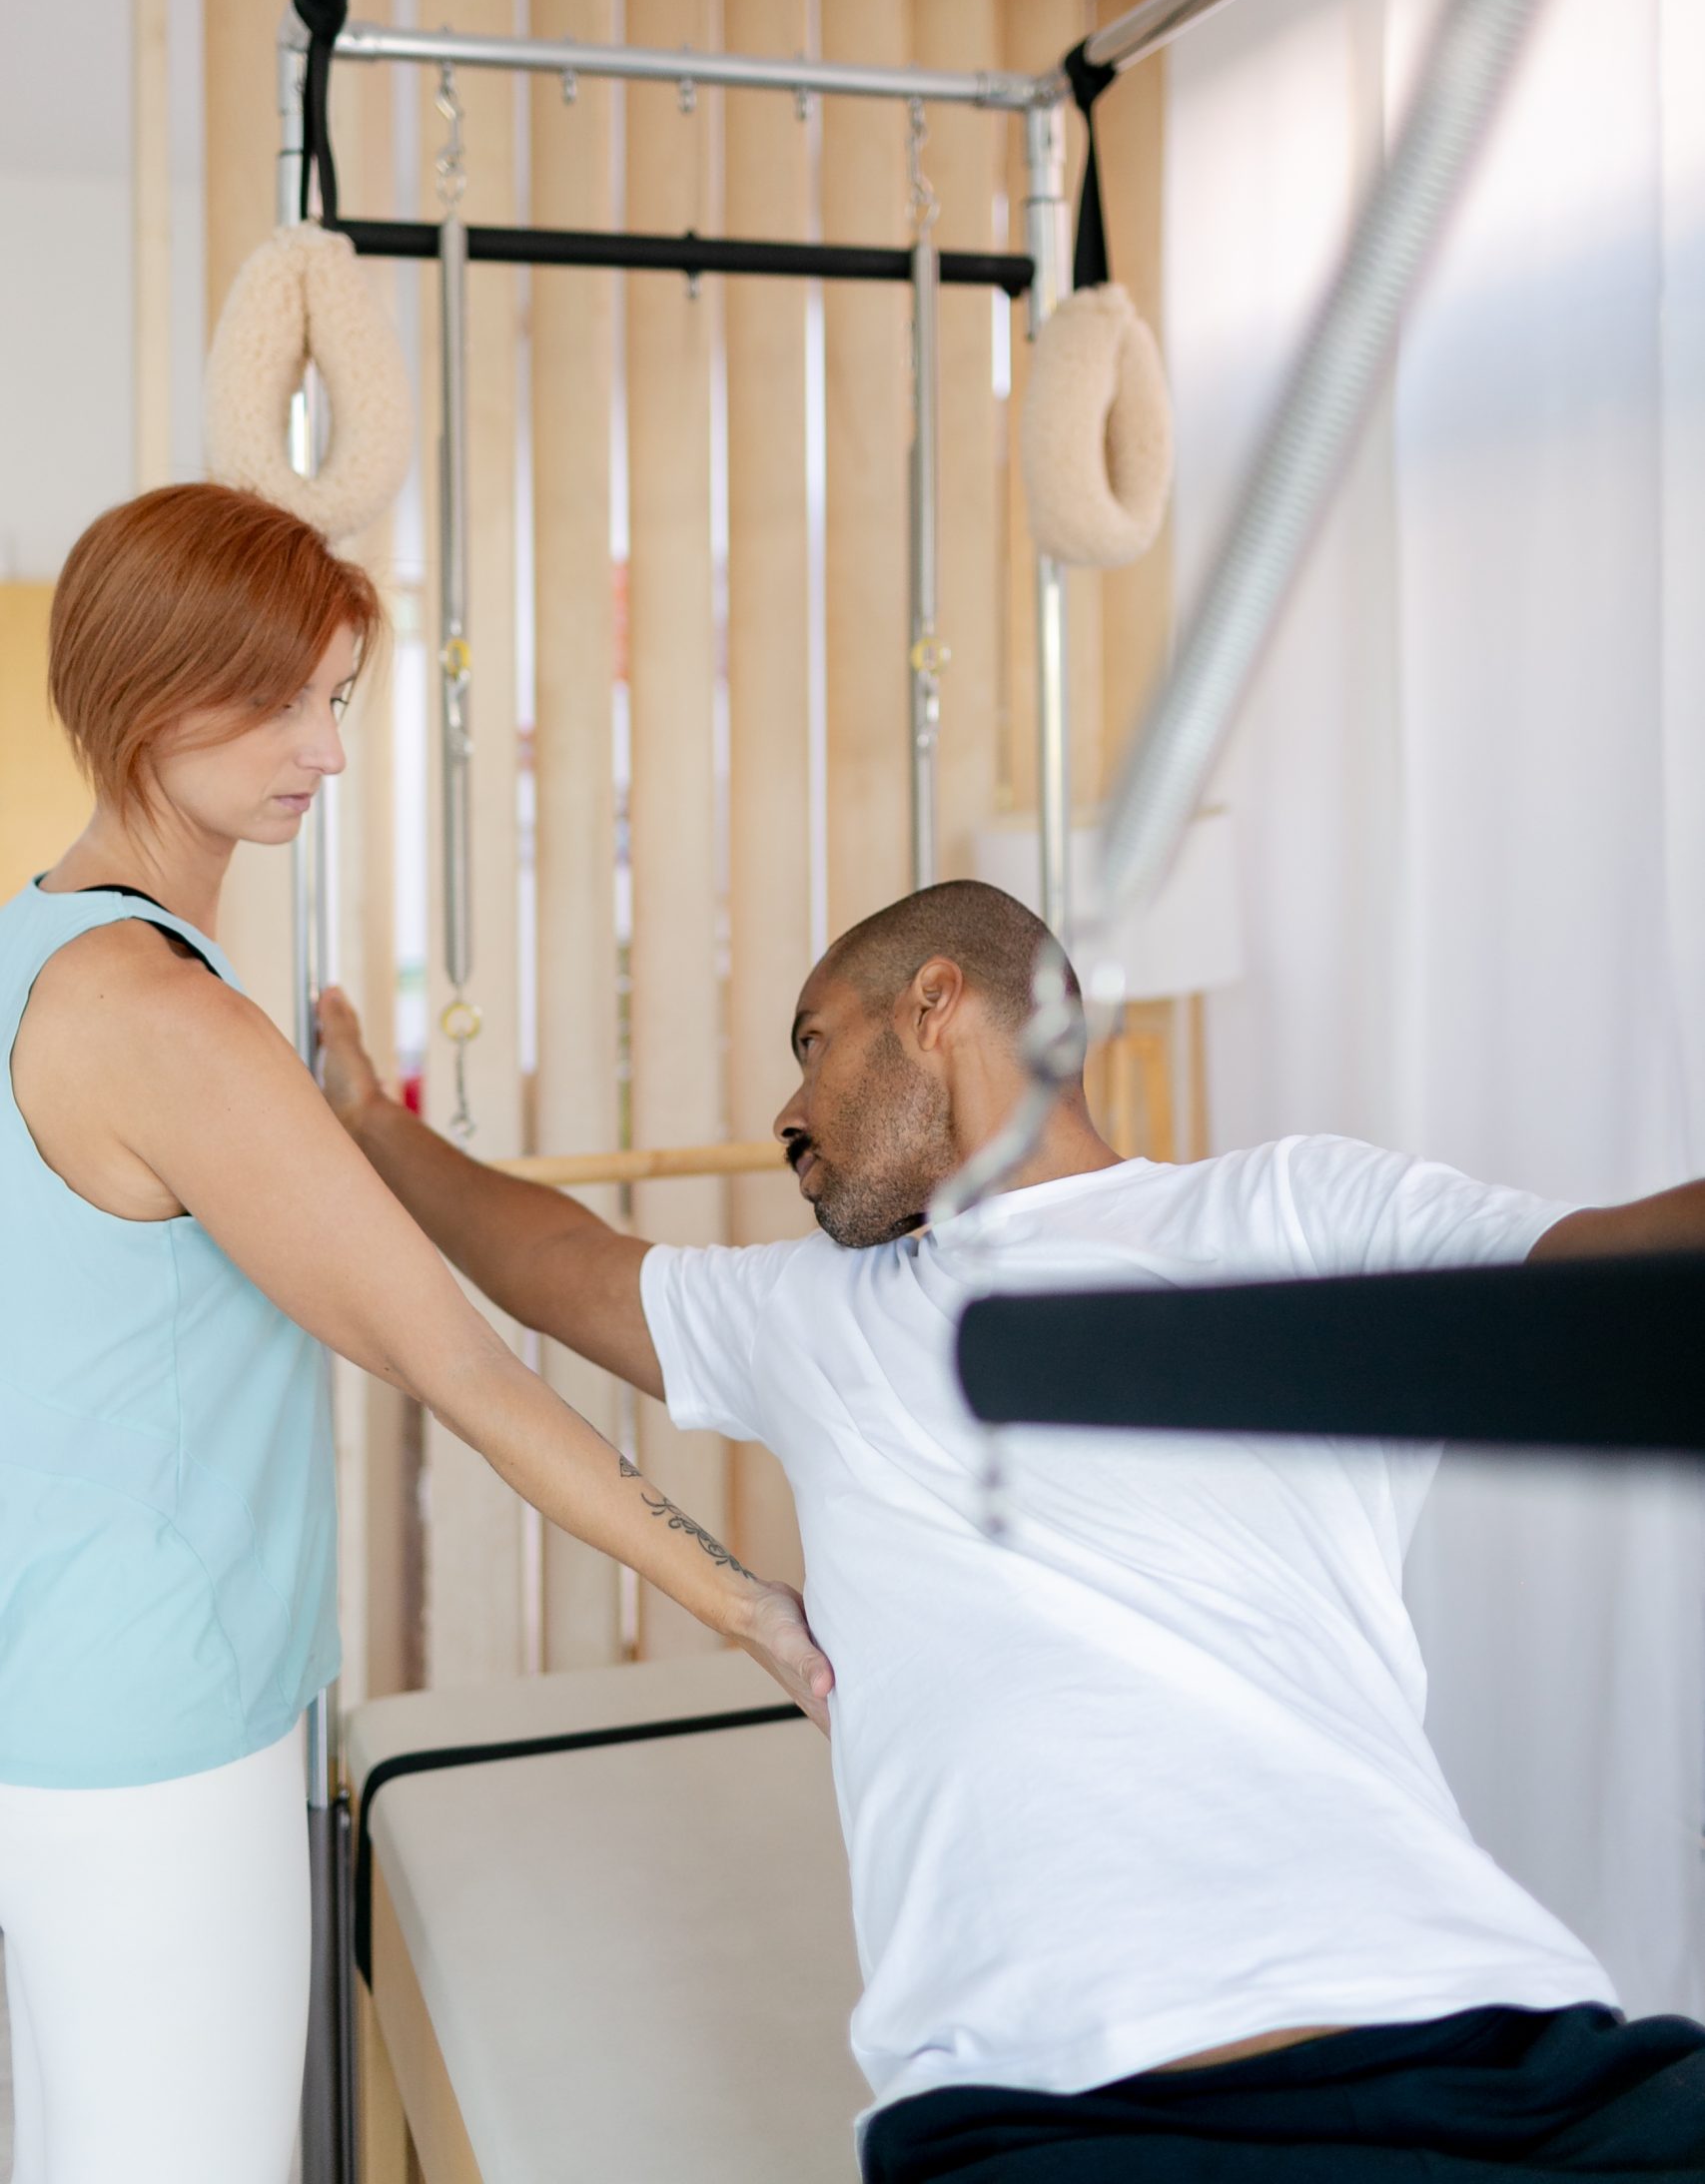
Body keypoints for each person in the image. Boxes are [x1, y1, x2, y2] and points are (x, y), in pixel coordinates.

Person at [319, 877, 1705, 2180]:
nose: (788, 1114)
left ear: (935, 1003)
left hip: (1491, 2052)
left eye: (812, 1044)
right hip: (1058, 2109)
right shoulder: (813, 1317)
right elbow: (557, 1262)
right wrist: (374, 1126)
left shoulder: (1291, 1212)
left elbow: (1617, 1266)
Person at [0, 482, 829, 2184]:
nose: (329, 750)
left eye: (337, 700)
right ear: (156, 693)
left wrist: (341, 1128)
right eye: (286, 703)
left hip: (50, 1704)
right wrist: (750, 1609)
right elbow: (455, 1364)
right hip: (157, 1742)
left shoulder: (31, 952)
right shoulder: (167, 1019)